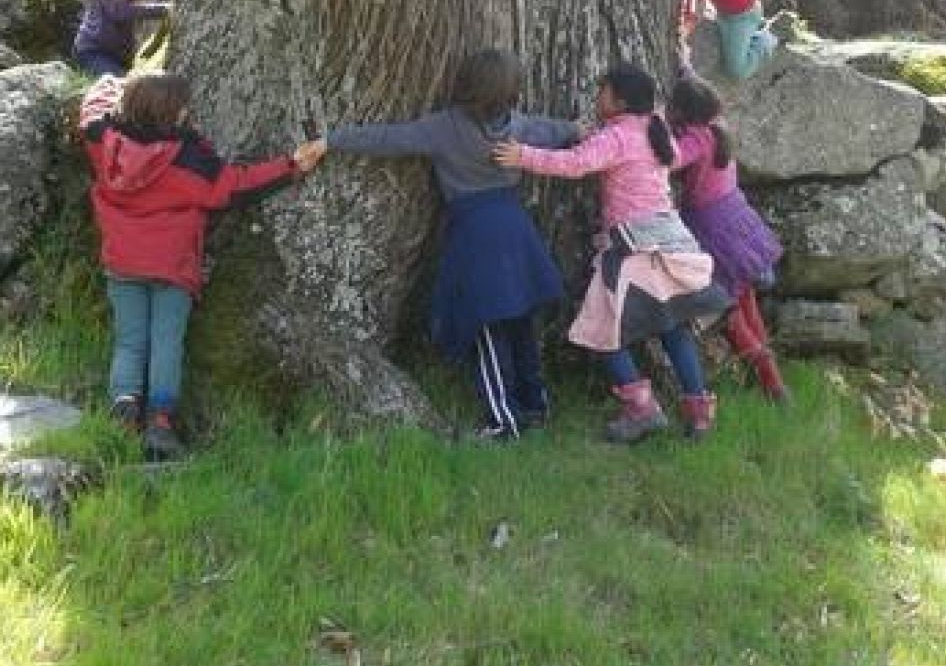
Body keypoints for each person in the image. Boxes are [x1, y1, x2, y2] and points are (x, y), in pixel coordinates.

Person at [319, 48, 580, 441]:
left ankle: (501, 421)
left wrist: (332, 140)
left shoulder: (445, 128)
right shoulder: (517, 127)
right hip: (514, 228)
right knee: (520, 318)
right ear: (511, 90)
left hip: (476, 233)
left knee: (486, 324)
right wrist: (579, 130)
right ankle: (534, 404)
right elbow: (554, 130)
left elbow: (389, 139)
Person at [79, 70, 324, 459]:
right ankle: (161, 424)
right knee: (166, 343)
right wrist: (291, 166)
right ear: (174, 114)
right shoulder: (191, 160)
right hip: (173, 268)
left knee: (129, 342)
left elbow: (91, 109)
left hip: (122, 263)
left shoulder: (102, 141)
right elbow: (238, 185)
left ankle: (123, 415)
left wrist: (110, 82)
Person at [493, 62, 730, 443]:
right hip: (669, 240)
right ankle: (699, 412)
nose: (596, 97)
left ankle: (642, 409)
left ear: (618, 100)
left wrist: (523, 155)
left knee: (601, 329)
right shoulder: (655, 128)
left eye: (602, 91)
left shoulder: (617, 136)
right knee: (672, 327)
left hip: (632, 247)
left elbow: (575, 163)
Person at [668, 73, 788, 401]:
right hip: (736, 218)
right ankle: (771, 375)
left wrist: (651, 131)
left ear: (680, 112)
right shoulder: (720, 129)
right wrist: (684, 64)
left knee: (728, 308)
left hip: (712, 229)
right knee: (746, 299)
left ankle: (765, 373)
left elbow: (672, 158)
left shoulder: (696, 139)